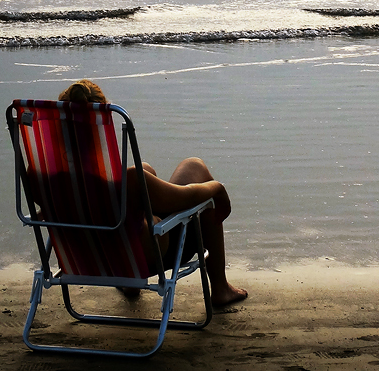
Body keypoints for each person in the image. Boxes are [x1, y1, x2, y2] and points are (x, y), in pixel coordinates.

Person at [57, 79, 248, 307]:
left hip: (87, 259)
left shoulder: (40, 179)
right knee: (194, 168)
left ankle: (129, 282)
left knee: (145, 170)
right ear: (102, 125)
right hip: (146, 258)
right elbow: (185, 196)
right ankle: (220, 288)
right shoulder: (129, 181)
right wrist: (217, 188)